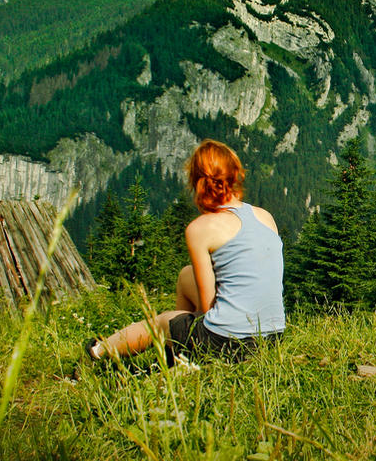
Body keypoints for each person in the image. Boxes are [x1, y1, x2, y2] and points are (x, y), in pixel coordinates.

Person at [84, 139, 286, 363]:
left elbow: (205, 308)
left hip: (226, 344)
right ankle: (177, 356)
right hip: (271, 340)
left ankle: (97, 352)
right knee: (185, 275)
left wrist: (182, 320)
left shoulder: (200, 228)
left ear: (199, 182)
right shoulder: (265, 217)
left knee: (161, 323)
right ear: (234, 174)